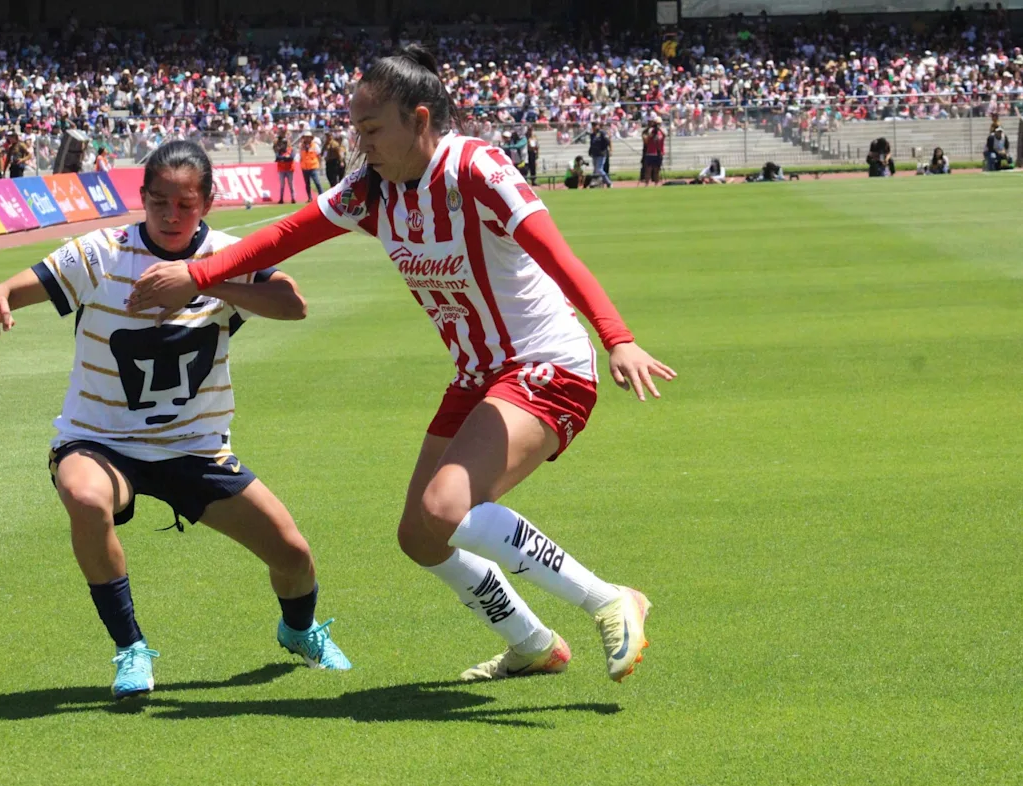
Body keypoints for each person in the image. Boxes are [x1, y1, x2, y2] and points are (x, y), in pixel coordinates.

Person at [127, 46, 675, 684]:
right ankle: (531, 643)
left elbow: (556, 254)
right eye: (355, 131)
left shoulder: (477, 167)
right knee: (420, 535)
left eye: (371, 130)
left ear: (419, 120)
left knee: (446, 508)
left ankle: (609, 599)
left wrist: (617, 337)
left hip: (544, 362)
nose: (360, 146)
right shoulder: (371, 189)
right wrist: (197, 274)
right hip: (478, 376)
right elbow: (285, 234)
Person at [0, 140, 352, 699]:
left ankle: (299, 630)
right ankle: (130, 649)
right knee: (85, 497)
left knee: (292, 555)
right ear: (142, 198)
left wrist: (201, 279)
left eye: (186, 205)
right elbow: (18, 286)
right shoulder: (102, 253)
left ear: (208, 204)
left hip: (194, 447)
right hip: (100, 441)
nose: (172, 216)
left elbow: (293, 305)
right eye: (159, 203)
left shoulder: (227, 254)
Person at [299, 131, 323, 202]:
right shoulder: (301, 146)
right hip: (304, 167)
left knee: (317, 182)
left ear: (311, 138)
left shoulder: (315, 145)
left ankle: (322, 196)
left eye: (308, 137)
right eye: (305, 137)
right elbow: (300, 155)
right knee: (307, 184)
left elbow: (319, 155)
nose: (307, 139)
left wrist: (320, 164)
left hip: (313, 167)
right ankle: (309, 198)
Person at [588, 122, 612, 188]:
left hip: (601, 154)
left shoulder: (602, 133)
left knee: (599, 169)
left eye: (595, 125)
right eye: (593, 126)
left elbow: (607, 141)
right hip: (594, 154)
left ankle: (609, 182)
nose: (594, 127)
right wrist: (590, 151)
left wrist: (603, 149)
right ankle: (596, 183)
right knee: (595, 170)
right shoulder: (592, 135)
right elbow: (592, 144)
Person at [274, 135, 297, 204]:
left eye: (285, 143)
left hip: (289, 169)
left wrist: (283, 159)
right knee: (282, 185)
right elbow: (277, 158)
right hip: (281, 169)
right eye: (282, 143)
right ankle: (281, 199)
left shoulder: (291, 149)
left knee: (291, 184)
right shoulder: (279, 150)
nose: (283, 144)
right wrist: (285, 158)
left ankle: (293, 198)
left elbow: (291, 158)